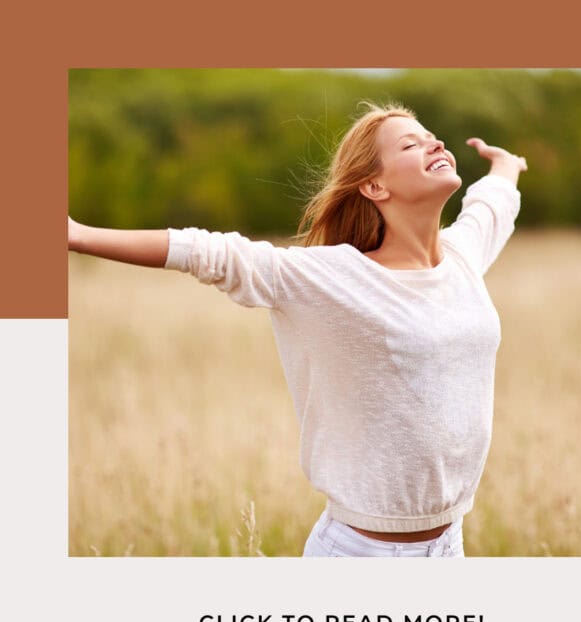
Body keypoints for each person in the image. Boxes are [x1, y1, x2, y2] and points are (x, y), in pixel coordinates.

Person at [68, 102, 527, 558]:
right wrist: (77, 235)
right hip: (358, 555)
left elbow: (491, 206)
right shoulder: (334, 277)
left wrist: (506, 165)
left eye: (432, 136)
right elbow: (213, 253)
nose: (435, 143)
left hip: (448, 547)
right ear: (373, 185)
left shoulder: (462, 257)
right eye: (412, 143)